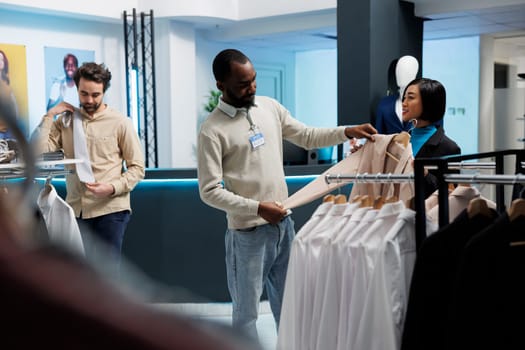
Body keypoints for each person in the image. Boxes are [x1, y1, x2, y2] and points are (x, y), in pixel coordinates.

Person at [197, 48, 377, 341]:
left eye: (254, 80)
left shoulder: (268, 106)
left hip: (284, 226)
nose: (252, 87)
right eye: (243, 84)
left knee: (291, 307)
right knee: (246, 316)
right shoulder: (212, 130)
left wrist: (347, 131)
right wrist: (258, 208)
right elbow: (209, 191)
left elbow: (306, 136)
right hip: (247, 235)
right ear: (221, 86)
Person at [35, 62, 145, 276]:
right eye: (84, 94)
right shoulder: (65, 122)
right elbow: (39, 152)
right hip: (76, 209)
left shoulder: (121, 123)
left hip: (111, 209)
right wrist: (49, 116)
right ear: (77, 89)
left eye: (96, 94)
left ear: (104, 90)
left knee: (107, 276)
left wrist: (111, 188)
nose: (89, 100)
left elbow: (137, 168)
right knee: (78, 275)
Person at [402, 77, 461, 198]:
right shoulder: (399, 141)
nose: (404, 103)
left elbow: (449, 195)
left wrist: (425, 175)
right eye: (404, 98)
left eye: (411, 98)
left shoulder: (449, 148)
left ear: (428, 102)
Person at [375, 55, 419, 134]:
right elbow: (378, 135)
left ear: (415, 73)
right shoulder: (384, 104)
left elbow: (436, 136)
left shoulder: (428, 104)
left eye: (407, 70)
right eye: (399, 69)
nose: (401, 73)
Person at [0, 49, 18, 140]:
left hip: (9, 131)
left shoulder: (6, 83)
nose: (0, 62)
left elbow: (14, 107)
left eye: (2, 60)